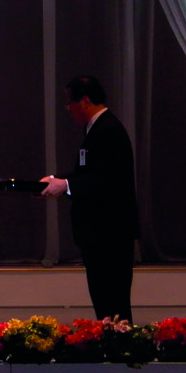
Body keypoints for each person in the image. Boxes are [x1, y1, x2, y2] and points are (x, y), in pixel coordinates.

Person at [39, 76, 139, 321]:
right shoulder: (97, 129)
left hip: (109, 231)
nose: (69, 110)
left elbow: (107, 178)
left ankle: (120, 353)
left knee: (112, 300)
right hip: (100, 232)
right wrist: (57, 180)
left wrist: (65, 185)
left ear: (84, 101)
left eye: (69, 104)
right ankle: (113, 349)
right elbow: (90, 173)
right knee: (105, 300)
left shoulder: (108, 130)